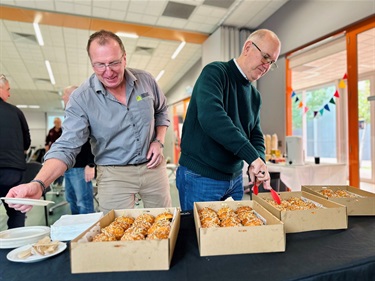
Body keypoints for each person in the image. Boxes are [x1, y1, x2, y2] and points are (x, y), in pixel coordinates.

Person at [6, 30, 172, 214]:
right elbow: (66, 146)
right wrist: (38, 184)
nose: (108, 71)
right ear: (92, 64)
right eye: (100, 65)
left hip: (154, 168)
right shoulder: (82, 99)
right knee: (116, 234)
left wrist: (159, 141)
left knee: (165, 222)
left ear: (124, 58)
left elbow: (161, 111)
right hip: (113, 174)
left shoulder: (146, 80)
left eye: (114, 63)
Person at [176, 29, 281, 211]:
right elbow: (213, 119)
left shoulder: (255, 96)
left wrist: (258, 161)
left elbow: (255, 134)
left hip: (235, 179)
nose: (267, 66)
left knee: (231, 237)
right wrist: (251, 157)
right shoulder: (215, 73)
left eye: (272, 62)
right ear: (248, 47)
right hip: (201, 176)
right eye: (265, 57)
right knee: (199, 236)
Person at [0, 74, 31, 228]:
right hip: (13, 171)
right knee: (16, 213)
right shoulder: (16, 112)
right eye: (8, 89)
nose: (9, 94)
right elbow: (27, 142)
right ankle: (14, 248)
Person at [61, 85, 95, 214]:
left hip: (81, 167)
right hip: (70, 165)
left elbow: (93, 140)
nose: (63, 97)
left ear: (72, 96)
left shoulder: (85, 114)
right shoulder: (70, 115)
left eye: (65, 94)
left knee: (84, 202)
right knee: (72, 199)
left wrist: (91, 164)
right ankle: (77, 230)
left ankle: (88, 233)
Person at [45, 117, 64, 186]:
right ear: (54, 123)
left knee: (61, 167)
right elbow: (47, 141)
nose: (59, 124)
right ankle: (55, 180)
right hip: (53, 151)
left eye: (59, 122)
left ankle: (60, 182)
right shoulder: (51, 131)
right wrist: (47, 151)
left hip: (61, 151)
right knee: (54, 167)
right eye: (57, 122)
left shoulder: (63, 130)